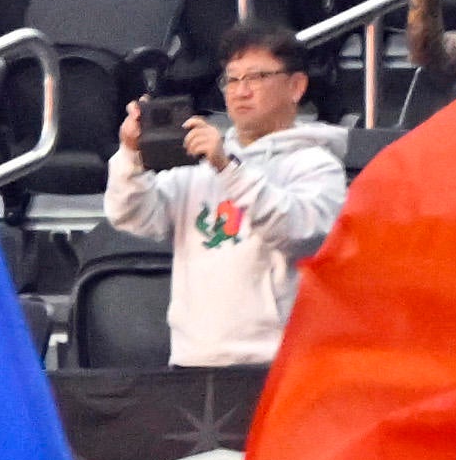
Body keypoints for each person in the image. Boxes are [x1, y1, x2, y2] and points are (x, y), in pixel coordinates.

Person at [105, 28, 344, 366]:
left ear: (296, 86)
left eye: (257, 77)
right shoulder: (200, 160)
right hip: (193, 359)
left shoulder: (317, 165)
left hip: (275, 363)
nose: (241, 91)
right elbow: (130, 215)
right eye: (232, 80)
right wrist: (131, 155)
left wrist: (227, 168)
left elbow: (299, 233)